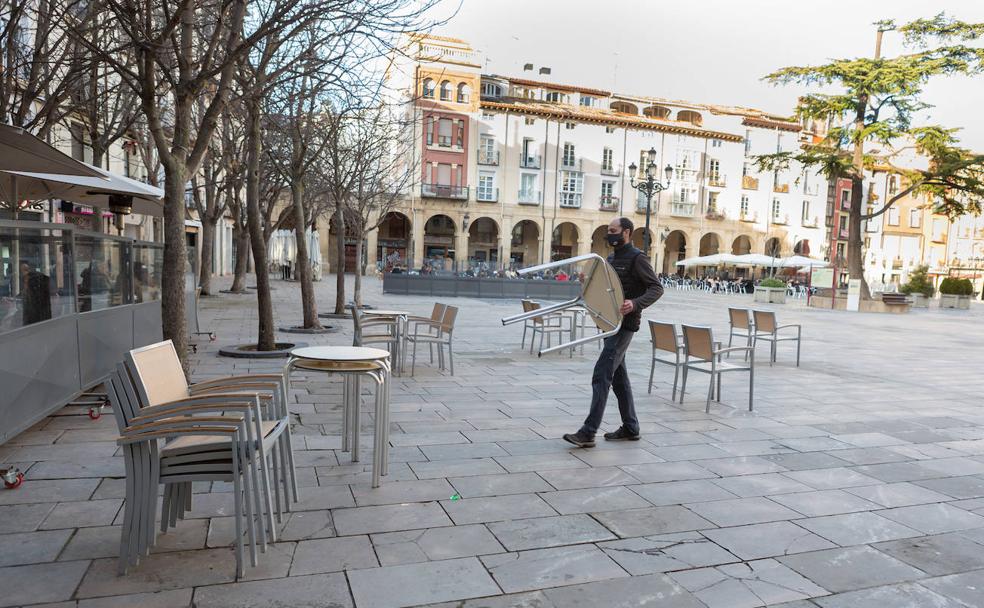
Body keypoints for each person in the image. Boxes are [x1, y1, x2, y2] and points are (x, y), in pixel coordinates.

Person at [563, 217, 664, 448]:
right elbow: (604, 288)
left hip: (624, 325)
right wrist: (586, 281)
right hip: (610, 323)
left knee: (602, 374)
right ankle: (631, 427)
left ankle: (588, 432)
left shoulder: (638, 258)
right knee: (619, 379)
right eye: (609, 230)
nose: (609, 234)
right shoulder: (610, 259)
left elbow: (657, 288)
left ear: (626, 232)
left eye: (613, 230)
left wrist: (635, 303)